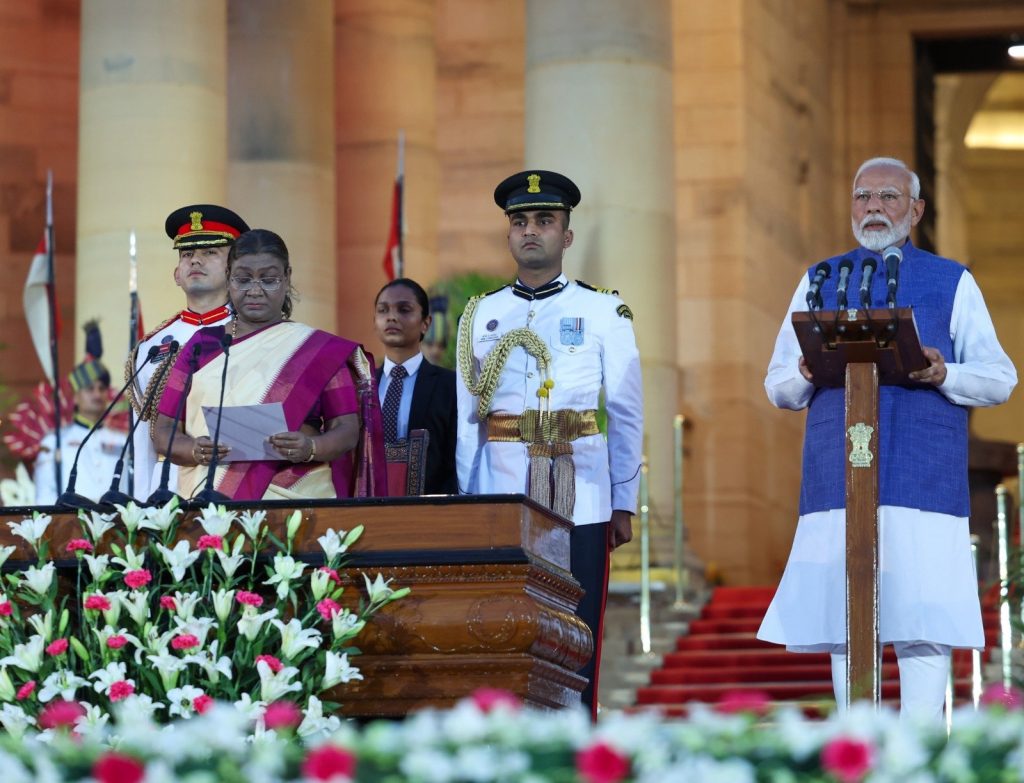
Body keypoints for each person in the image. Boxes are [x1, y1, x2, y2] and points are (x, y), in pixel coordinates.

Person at [757, 157, 1017, 720]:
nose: (873, 206)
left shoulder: (952, 280)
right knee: (844, 622)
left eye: (888, 196)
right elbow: (776, 386)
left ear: (916, 210)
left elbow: (1000, 378)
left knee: (924, 624)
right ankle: (858, 750)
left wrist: (944, 372)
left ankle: (920, 756)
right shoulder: (820, 278)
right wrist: (805, 371)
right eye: (862, 196)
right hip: (838, 479)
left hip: (921, 478)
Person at [455, 170, 644, 714]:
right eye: (520, 222)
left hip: (580, 490)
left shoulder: (604, 310)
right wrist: (468, 498)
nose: (530, 230)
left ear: (567, 235)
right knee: (505, 621)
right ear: (508, 235)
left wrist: (623, 501)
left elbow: (627, 411)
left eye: (544, 220)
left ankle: (575, 742)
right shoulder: (481, 312)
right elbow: (471, 416)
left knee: (577, 629)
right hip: (502, 490)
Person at [152, 228, 386, 501]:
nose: (255, 290)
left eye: (269, 279)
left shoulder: (317, 350)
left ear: (287, 278)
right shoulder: (201, 345)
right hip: (209, 500)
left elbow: (346, 430)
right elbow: (164, 430)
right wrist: (194, 450)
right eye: (243, 279)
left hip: (297, 499)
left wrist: (310, 447)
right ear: (228, 278)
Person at [125, 204, 250, 501]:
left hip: (232, 484)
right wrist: (140, 506)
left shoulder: (253, 333)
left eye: (210, 253)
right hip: (165, 492)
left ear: (234, 268)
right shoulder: (150, 346)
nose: (195, 260)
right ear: (176, 274)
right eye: (187, 254)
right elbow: (143, 436)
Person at [374, 278, 458, 494]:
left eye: (404, 309)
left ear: (425, 323)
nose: (391, 317)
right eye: (383, 310)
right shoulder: (361, 385)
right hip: (368, 507)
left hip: (431, 510)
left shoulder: (450, 386)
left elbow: (457, 458)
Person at [35, 322, 126, 504]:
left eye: (101, 388)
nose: (97, 394)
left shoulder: (123, 441)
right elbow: (44, 495)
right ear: (75, 397)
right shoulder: (54, 441)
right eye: (89, 388)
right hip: (71, 526)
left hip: (118, 527)